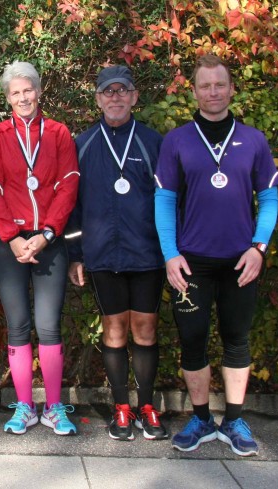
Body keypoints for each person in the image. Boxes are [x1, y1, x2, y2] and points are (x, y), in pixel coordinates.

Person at [154, 54, 278, 456]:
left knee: (237, 340)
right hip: (191, 261)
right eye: (205, 85)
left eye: (219, 84)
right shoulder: (177, 140)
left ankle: (235, 420)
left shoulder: (253, 139)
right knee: (192, 341)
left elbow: (270, 197)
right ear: (194, 91)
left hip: (241, 260)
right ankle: (202, 418)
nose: (212, 92)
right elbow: (163, 200)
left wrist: (260, 247)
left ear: (231, 89)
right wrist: (170, 254)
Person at [66, 65, 168, 441]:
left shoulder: (154, 143)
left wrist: (171, 252)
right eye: (107, 92)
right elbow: (72, 207)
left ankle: (146, 406)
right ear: (97, 98)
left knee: (145, 329)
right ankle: (121, 407)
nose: (115, 98)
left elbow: (169, 200)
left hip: (147, 255)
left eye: (121, 91)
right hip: (102, 255)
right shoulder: (83, 144)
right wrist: (76, 253)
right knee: (114, 330)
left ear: (134, 96)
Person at [0, 61, 80, 436]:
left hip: (49, 242)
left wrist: (48, 233)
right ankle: (24, 405)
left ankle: (54, 407)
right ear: (8, 98)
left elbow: (68, 185)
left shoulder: (58, 133)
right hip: (11, 244)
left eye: (28, 90)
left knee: (48, 325)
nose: (23, 97)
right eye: (15, 93)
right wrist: (13, 237)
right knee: (18, 325)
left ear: (38, 92)